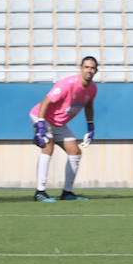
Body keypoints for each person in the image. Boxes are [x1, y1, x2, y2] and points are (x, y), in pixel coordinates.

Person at [29, 56, 98, 202]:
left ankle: (67, 193)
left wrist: (90, 125)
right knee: (48, 147)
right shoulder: (67, 84)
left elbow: (89, 105)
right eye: (86, 67)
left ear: (96, 71)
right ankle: (40, 192)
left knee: (75, 151)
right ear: (81, 68)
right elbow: (46, 102)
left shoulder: (92, 88)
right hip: (42, 116)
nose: (89, 70)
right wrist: (40, 124)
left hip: (58, 123)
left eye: (92, 68)